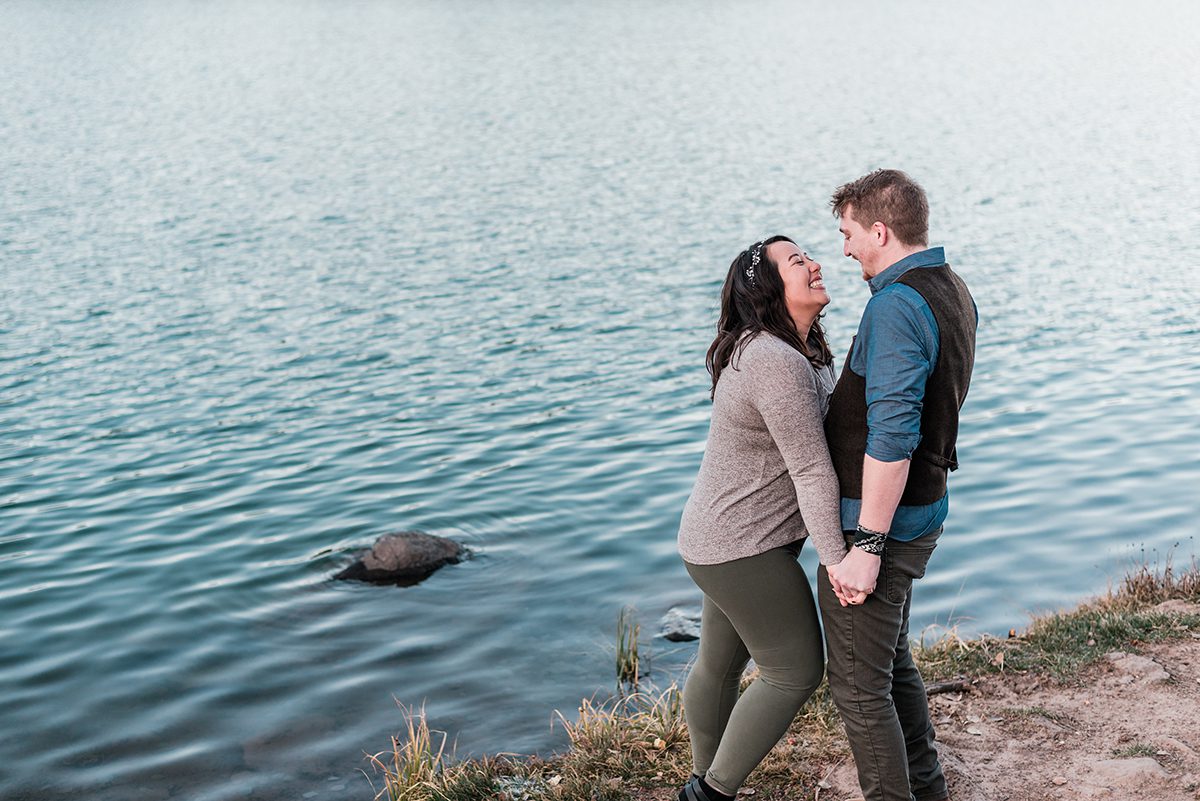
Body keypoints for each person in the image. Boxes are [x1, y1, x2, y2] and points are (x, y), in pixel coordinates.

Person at [676, 235, 852, 801]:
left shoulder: (795, 347)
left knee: (719, 666)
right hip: (739, 548)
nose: (815, 263)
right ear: (770, 289)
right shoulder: (774, 361)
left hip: (718, 539)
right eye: (798, 261)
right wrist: (837, 561)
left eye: (808, 255)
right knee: (796, 671)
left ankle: (706, 777)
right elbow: (811, 470)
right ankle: (712, 792)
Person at [820, 169, 977, 801]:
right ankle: (927, 789)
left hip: (882, 522)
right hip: (923, 507)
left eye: (849, 233)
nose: (846, 248)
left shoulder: (894, 305)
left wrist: (867, 547)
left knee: (858, 687)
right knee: (892, 664)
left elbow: (891, 436)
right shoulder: (951, 288)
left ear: (879, 230)